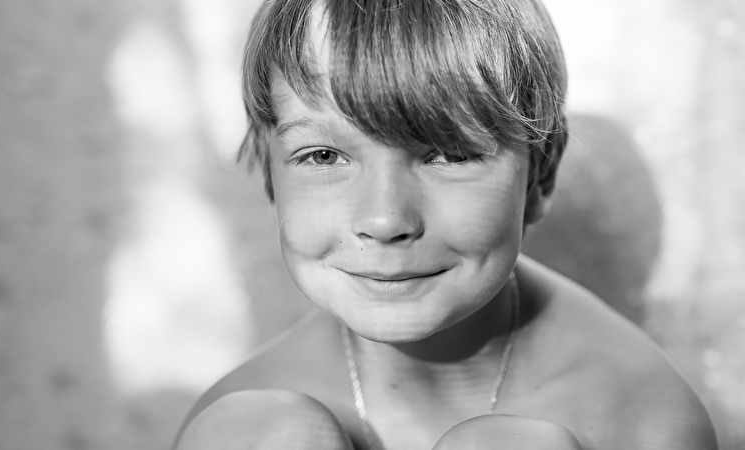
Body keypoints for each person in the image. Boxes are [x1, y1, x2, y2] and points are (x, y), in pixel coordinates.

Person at [174, 0, 717, 449]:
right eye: (322, 156)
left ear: (541, 173)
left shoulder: (638, 421)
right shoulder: (238, 413)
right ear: (270, 172)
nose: (385, 219)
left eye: (450, 154)